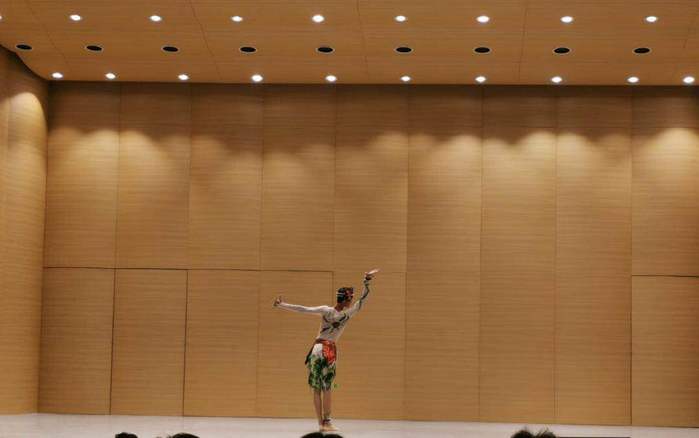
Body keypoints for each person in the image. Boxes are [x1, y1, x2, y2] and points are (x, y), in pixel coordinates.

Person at [273, 269, 379, 433]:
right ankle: (327, 422)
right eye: (350, 298)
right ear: (347, 300)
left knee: (316, 388)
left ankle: (321, 424)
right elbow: (362, 300)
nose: (351, 301)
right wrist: (366, 281)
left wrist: (282, 305)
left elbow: (304, 309)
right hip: (328, 350)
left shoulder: (326, 310)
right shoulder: (347, 314)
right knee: (327, 387)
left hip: (317, 349)